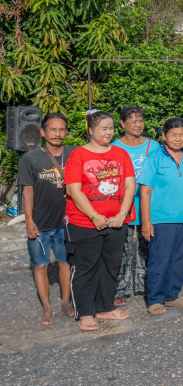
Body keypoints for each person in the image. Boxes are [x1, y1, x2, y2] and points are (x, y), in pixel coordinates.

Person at [64, 110, 137, 331]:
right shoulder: (78, 155)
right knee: (86, 267)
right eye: (104, 128)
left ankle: (104, 307)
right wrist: (94, 216)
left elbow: (130, 185)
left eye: (111, 128)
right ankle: (85, 312)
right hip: (84, 222)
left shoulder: (120, 153)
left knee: (110, 265)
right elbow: (74, 190)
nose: (109, 132)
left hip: (116, 222)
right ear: (90, 130)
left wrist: (122, 214)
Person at [140, 118, 183, 315]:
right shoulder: (154, 157)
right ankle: (155, 299)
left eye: (182, 134)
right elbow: (146, 191)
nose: (178, 138)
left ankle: (171, 295)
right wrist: (146, 221)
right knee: (159, 260)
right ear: (164, 136)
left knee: (180, 261)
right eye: (173, 134)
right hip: (162, 220)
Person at [19, 113, 75, 325]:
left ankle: (64, 301)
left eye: (61, 130)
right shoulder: (31, 158)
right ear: (43, 132)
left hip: (66, 222)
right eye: (52, 129)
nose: (57, 134)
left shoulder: (73, 153)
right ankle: (47, 307)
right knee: (40, 265)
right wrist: (29, 221)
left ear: (66, 132)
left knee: (65, 262)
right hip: (40, 223)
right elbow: (27, 192)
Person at [112, 106, 161, 306]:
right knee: (121, 250)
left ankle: (145, 286)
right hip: (122, 206)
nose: (138, 124)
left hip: (147, 206)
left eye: (140, 120)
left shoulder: (154, 146)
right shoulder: (114, 147)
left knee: (146, 248)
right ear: (123, 124)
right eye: (133, 121)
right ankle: (120, 289)